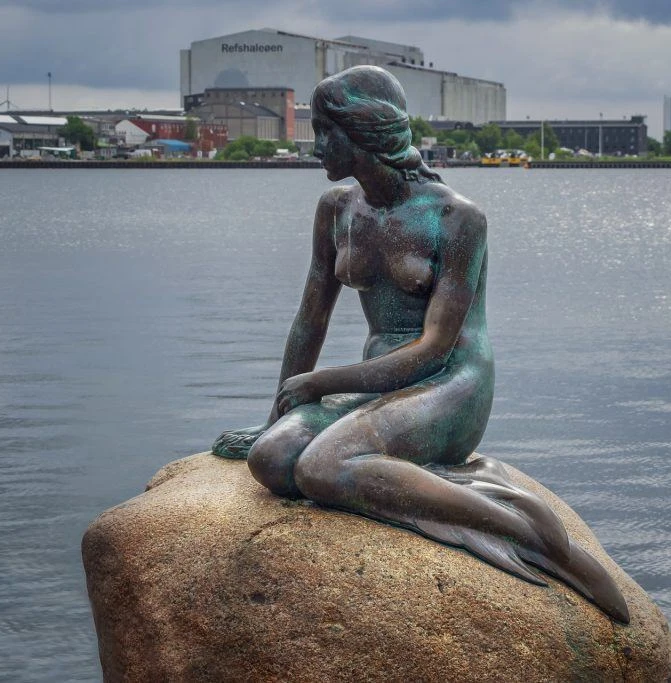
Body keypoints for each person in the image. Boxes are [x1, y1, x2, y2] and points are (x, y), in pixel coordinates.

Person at [213, 65, 628, 623]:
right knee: (271, 458)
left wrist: (324, 383)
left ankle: (534, 535)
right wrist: (274, 418)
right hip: (379, 383)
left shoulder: (456, 218)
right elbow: (310, 318)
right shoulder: (337, 208)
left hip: (450, 382)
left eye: (327, 133)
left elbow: (435, 347)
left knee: (322, 468)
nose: (317, 147)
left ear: (365, 132)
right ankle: (425, 480)